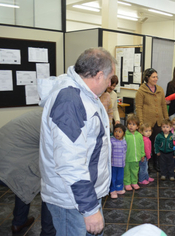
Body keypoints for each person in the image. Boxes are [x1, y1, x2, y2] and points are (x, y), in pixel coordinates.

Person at [38, 47, 116, 235]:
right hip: (72, 202)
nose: (109, 84)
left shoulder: (86, 95)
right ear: (98, 76)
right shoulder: (70, 101)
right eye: (108, 79)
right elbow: (70, 162)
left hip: (81, 197)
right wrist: (89, 209)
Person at [0, 110, 55, 235]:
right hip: (1, 165)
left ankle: (19, 222)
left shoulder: (41, 114)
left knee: (26, 180)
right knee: (51, 185)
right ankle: (48, 232)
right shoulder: (54, 122)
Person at [135, 68, 169, 172]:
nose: (156, 79)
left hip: (158, 122)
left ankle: (156, 163)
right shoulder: (141, 91)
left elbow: (163, 105)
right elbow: (139, 107)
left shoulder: (160, 89)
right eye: (153, 77)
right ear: (147, 78)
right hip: (147, 123)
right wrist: (140, 122)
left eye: (156, 77)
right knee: (146, 144)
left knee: (157, 143)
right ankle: (147, 164)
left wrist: (166, 119)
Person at [124, 115, 145, 191]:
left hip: (136, 158)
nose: (131, 126)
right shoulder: (125, 135)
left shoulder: (139, 135)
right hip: (127, 158)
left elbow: (142, 146)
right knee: (126, 172)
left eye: (133, 124)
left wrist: (142, 155)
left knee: (135, 171)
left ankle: (134, 182)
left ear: (137, 126)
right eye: (129, 124)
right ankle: (127, 183)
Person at [110, 123, 127, 199]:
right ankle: (112, 190)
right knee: (113, 178)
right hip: (113, 164)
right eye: (116, 131)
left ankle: (119, 188)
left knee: (120, 177)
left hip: (121, 164)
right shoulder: (111, 141)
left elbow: (125, 151)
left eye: (120, 131)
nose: (117, 133)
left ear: (123, 133)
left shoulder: (124, 141)